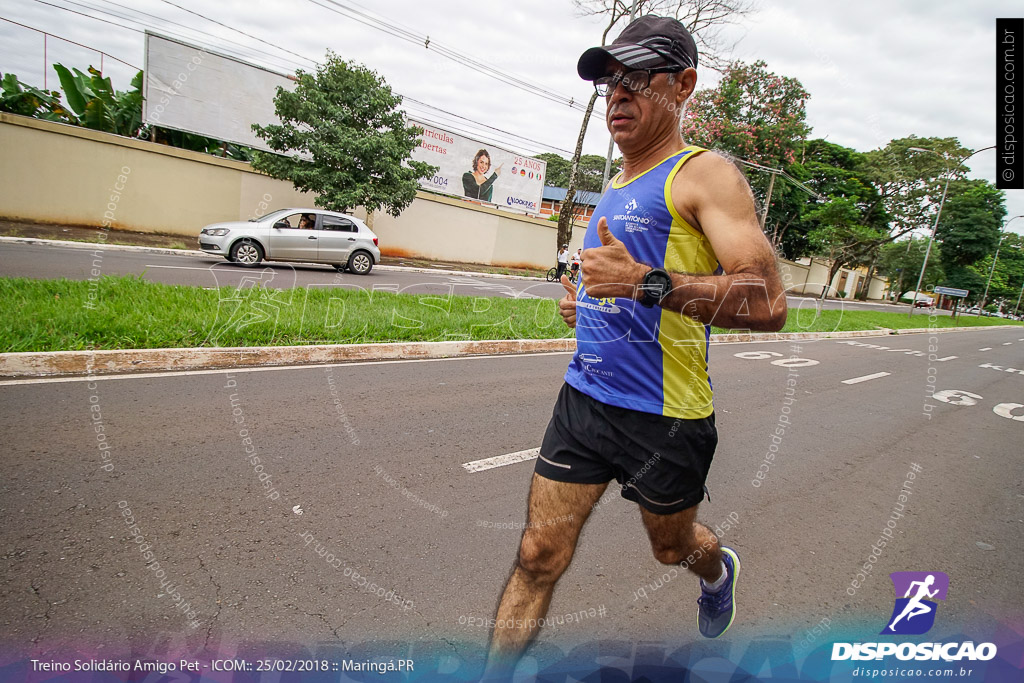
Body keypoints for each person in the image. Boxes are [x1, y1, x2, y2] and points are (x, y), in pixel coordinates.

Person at [485, 15, 787, 674]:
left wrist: (641, 282)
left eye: (635, 80)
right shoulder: (616, 183)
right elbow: (618, 284)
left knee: (672, 547)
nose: (616, 96)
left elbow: (766, 302)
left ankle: (716, 572)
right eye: (607, 84)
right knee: (538, 556)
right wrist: (586, 303)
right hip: (585, 402)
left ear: (683, 86)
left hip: (666, 419)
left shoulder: (704, 176)